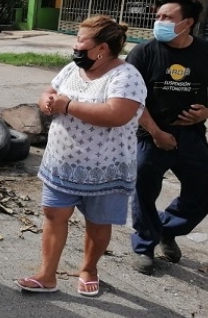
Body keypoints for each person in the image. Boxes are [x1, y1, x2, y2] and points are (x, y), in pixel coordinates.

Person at [16, 15, 146, 296]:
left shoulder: (126, 76)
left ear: (101, 48)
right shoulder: (72, 70)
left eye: (81, 40)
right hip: (62, 163)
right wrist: (47, 101)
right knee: (53, 214)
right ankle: (47, 275)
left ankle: (89, 268)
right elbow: (50, 91)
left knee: (98, 223)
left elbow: (117, 114)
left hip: (105, 168)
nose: (75, 46)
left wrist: (68, 105)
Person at [127, 0, 208, 275]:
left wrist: (207, 112)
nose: (159, 22)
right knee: (144, 187)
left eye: (168, 17)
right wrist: (155, 132)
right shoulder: (144, 52)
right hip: (150, 134)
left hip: (191, 134)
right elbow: (131, 99)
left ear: (187, 23)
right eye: (158, 16)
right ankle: (144, 246)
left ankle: (167, 229)